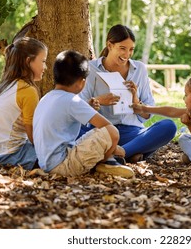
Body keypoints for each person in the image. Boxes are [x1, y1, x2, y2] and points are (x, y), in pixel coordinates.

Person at [78, 24, 177, 163]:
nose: (127, 54)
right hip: (103, 131)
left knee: (168, 126)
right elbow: (79, 107)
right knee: (73, 131)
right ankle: (132, 153)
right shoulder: (91, 69)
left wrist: (136, 102)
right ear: (110, 45)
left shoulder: (139, 69)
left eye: (131, 49)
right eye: (122, 48)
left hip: (132, 132)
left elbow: (148, 114)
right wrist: (98, 101)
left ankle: (120, 153)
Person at [33, 50, 134, 178]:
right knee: (112, 132)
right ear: (82, 82)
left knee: (94, 133)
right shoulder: (72, 100)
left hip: (46, 164)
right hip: (63, 166)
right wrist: (116, 149)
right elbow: (108, 127)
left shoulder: (46, 98)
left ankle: (107, 159)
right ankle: (106, 162)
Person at [0, 37, 48, 170]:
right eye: (43, 61)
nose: (45, 67)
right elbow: (33, 137)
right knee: (58, 155)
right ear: (28, 61)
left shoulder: (5, 85)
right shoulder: (27, 91)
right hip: (9, 156)